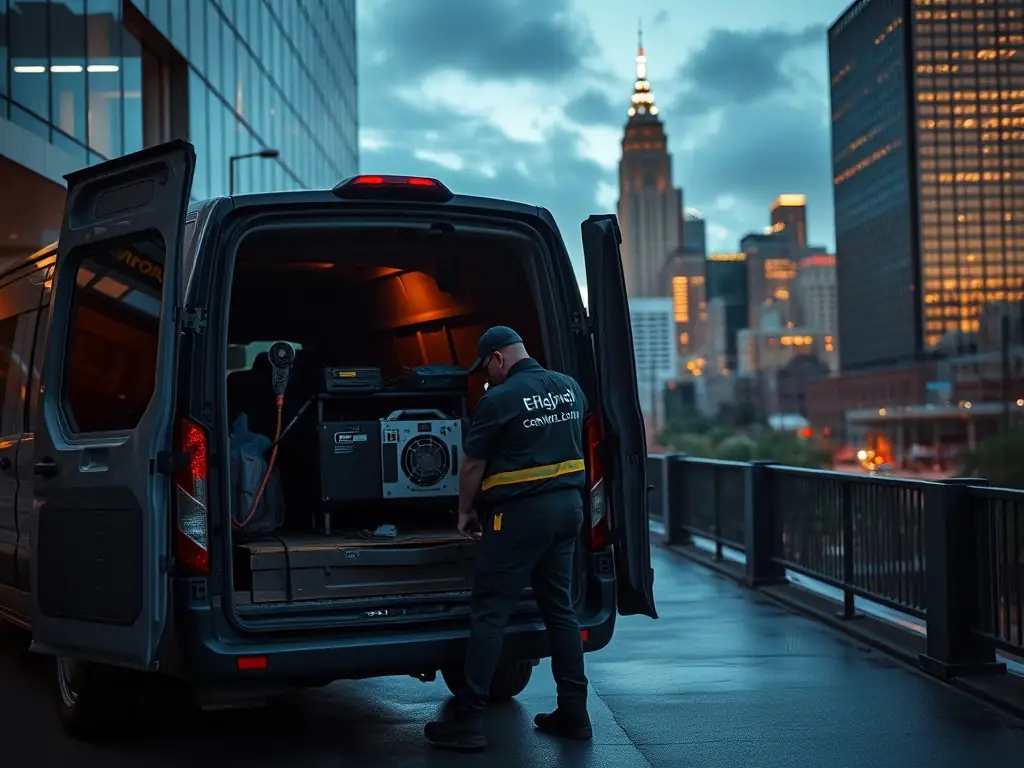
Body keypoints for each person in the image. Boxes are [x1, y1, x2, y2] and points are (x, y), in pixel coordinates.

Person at [424, 326, 592, 752]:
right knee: (561, 611)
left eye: (486, 368)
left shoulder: (499, 400)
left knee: (490, 613)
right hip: (568, 510)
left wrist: (465, 511)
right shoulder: (569, 388)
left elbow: (471, 464)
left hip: (519, 517)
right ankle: (574, 712)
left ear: (498, 358)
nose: (487, 377)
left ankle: (468, 722)